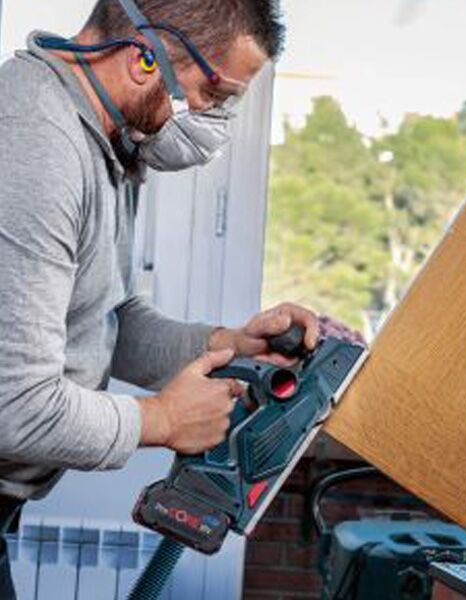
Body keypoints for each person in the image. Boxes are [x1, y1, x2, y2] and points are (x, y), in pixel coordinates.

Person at [0, 1, 323, 597]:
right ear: (144, 58)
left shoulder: (104, 143)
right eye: (213, 94)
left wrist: (231, 345)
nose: (213, 120)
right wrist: (164, 419)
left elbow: (105, 320)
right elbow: (14, 408)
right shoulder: (35, 146)